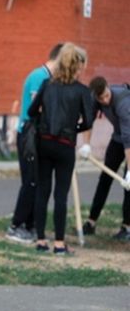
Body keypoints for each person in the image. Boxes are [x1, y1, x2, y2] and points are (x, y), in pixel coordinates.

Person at [27, 42, 94, 255]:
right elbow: (89, 121)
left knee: (42, 190)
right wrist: (74, 128)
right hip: (65, 145)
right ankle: (58, 243)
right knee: (60, 195)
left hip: (44, 142)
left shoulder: (47, 85)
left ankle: (40, 240)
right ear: (77, 66)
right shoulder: (82, 91)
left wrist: (42, 122)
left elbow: (31, 111)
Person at [5, 43, 63, 244]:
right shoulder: (40, 77)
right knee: (30, 181)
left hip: (38, 136)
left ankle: (30, 225)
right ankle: (16, 225)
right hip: (29, 136)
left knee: (37, 182)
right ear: (59, 59)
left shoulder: (48, 78)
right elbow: (36, 110)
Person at [83, 76, 130, 241]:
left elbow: (128, 138)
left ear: (108, 88)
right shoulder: (95, 98)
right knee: (105, 178)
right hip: (118, 138)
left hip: (128, 139)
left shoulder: (123, 102)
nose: (104, 100)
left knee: (128, 184)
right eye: (100, 98)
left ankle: (127, 227)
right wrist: (86, 145)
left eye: (106, 96)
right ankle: (91, 222)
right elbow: (89, 120)